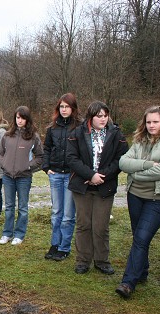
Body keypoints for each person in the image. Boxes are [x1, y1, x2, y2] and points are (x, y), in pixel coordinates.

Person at [115, 106, 160, 299]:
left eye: (155, 122)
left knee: (142, 237)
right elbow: (123, 162)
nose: (151, 125)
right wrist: (147, 165)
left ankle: (128, 282)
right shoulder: (139, 140)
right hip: (135, 195)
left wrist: (135, 174)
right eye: (148, 122)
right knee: (139, 236)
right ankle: (142, 272)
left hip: (158, 199)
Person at [66, 101, 128, 275]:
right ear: (91, 117)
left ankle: (102, 260)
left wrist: (102, 176)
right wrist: (89, 175)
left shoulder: (116, 134)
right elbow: (71, 158)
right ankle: (83, 260)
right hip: (82, 186)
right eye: (99, 116)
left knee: (101, 226)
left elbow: (121, 159)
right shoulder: (77, 133)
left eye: (105, 115)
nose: (103, 119)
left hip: (105, 186)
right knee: (83, 224)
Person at [42, 93, 82, 261]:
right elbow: (47, 148)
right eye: (61, 106)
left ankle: (64, 247)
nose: (64, 109)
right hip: (56, 174)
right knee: (56, 212)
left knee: (67, 215)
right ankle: (54, 244)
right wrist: (46, 167)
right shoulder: (52, 128)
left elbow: (83, 150)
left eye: (67, 106)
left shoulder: (80, 127)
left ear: (73, 108)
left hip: (71, 175)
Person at [0, 106, 43, 245]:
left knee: (22, 207)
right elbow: (0, 153)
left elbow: (40, 157)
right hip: (7, 176)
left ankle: (19, 234)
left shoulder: (33, 136)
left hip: (24, 177)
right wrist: (4, 163)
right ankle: (7, 234)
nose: (20, 120)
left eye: (23, 118)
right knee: (9, 206)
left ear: (27, 119)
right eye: (17, 117)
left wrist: (28, 165)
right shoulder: (7, 135)